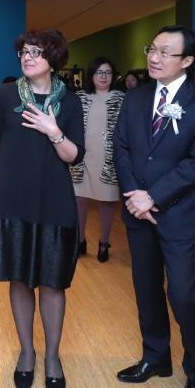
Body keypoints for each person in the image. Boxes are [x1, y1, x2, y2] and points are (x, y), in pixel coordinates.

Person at [113, 26, 195, 388]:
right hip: (137, 211)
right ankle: (155, 357)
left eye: (165, 52)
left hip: (179, 215)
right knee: (146, 289)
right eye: (152, 49)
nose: (154, 57)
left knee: (184, 294)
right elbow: (121, 147)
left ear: (187, 60)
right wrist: (134, 195)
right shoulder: (136, 97)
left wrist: (153, 196)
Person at [0, 31, 84, 388]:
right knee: (19, 278)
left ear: (54, 58)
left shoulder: (69, 102)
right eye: (23, 51)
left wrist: (54, 132)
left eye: (36, 52)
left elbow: (75, 156)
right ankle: (27, 352)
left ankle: (52, 357)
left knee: (53, 283)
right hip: (10, 200)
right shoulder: (6, 96)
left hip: (54, 202)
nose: (27, 56)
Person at [72, 57, 124, 262]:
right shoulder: (79, 97)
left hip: (108, 156)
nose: (103, 76)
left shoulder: (121, 98)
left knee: (107, 200)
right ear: (91, 75)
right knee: (79, 200)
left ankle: (104, 242)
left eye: (108, 73)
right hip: (82, 155)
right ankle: (80, 240)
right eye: (99, 72)